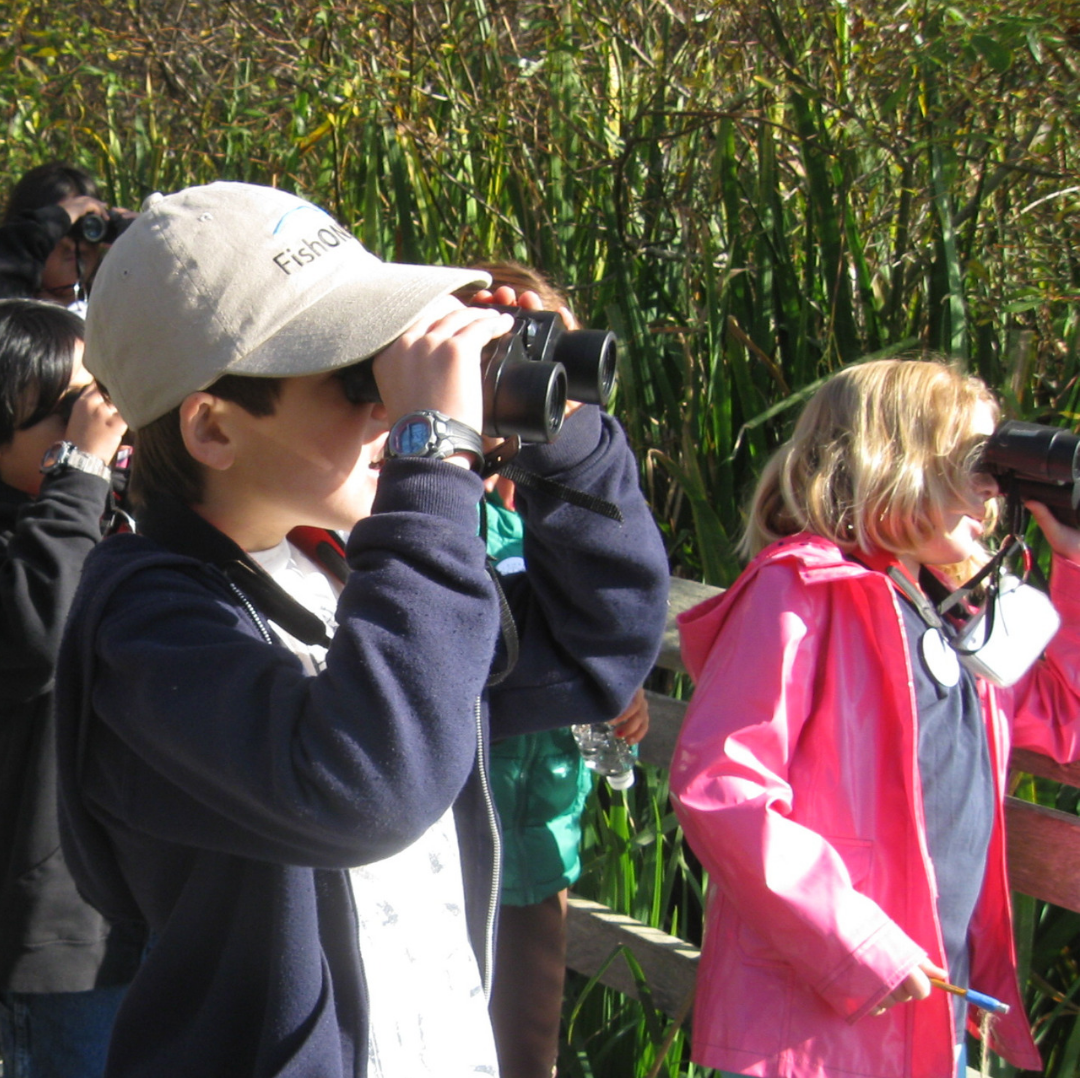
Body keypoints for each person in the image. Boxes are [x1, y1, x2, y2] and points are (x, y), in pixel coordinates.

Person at [53, 181, 669, 1078]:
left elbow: (600, 645)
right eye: (353, 377)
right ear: (213, 429)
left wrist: (558, 438)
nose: (385, 407)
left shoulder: (343, 573)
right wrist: (433, 459)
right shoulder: (144, 630)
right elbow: (368, 783)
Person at [669, 359, 1080, 1078]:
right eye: (975, 463)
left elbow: (1066, 719)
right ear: (889, 459)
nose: (991, 492)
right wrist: (859, 946)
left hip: (933, 1005)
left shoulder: (960, 615)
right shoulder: (801, 591)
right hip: (818, 1024)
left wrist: (1072, 556)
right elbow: (723, 786)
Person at [463, 261, 651, 1078]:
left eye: (551, 356)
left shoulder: (565, 494)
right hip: (458, 838)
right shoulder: (425, 497)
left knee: (525, 1051)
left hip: (537, 846)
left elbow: (601, 622)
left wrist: (610, 679)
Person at [0, 299, 140, 1078]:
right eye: (65, 413)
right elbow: (37, 636)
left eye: (102, 399)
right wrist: (79, 474)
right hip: (56, 935)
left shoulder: (104, 516)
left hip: (133, 910)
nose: (97, 425)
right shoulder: (54, 526)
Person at [0, 163, 116, 308]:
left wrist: (143, 235)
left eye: (88, 225)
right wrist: (56, 219)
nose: (73, 243)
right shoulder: (11, 313)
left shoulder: (116, 305)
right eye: (61, 230)